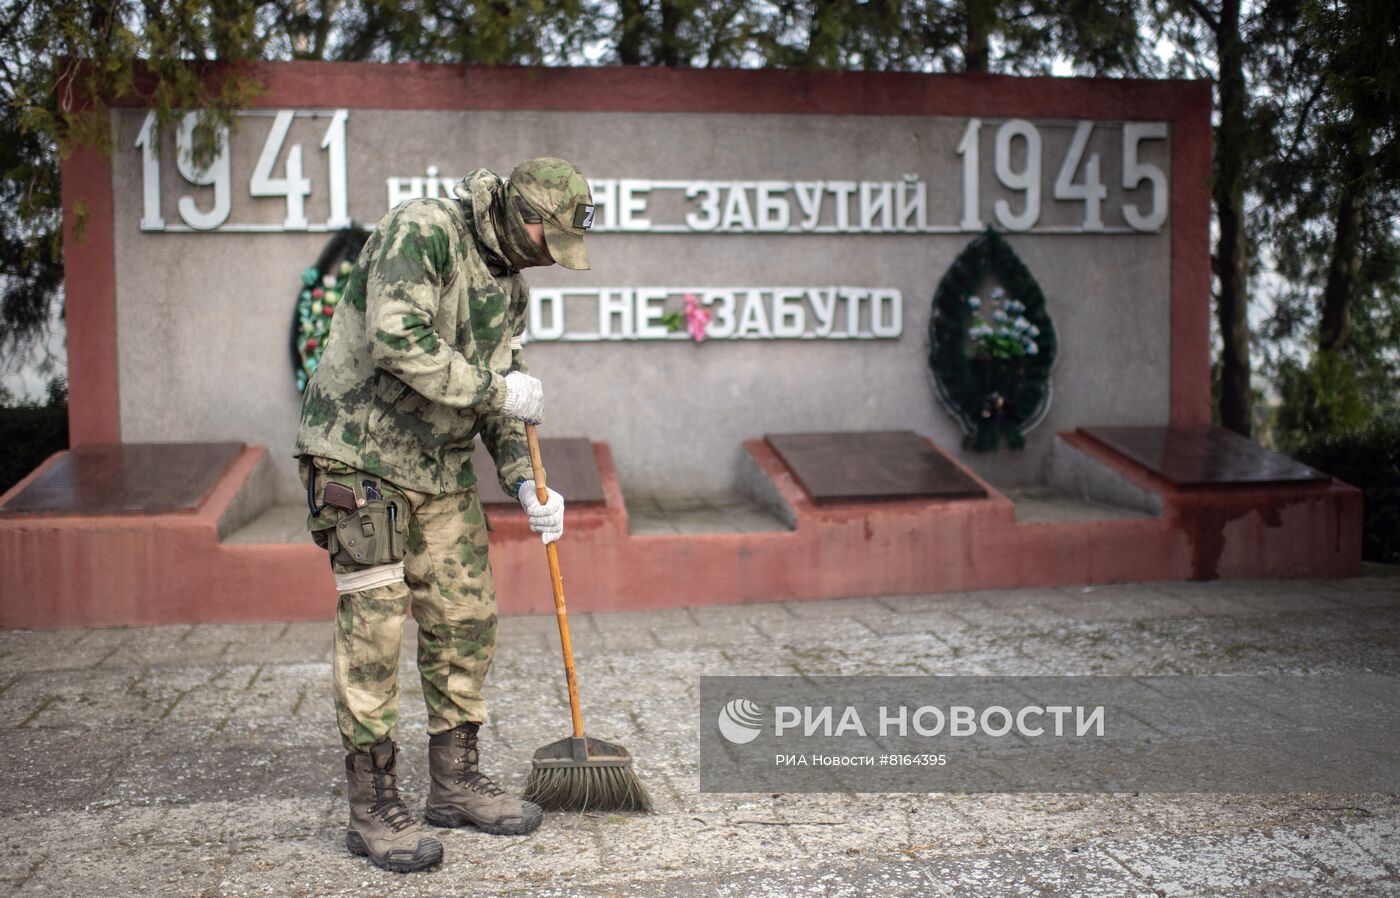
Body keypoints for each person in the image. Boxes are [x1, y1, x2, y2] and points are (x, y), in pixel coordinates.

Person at [293, 157, 595, 873]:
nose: (552, 258)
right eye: (550, 240)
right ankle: (373, 807)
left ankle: (454, 783)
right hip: (359, 455)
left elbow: (498, 406)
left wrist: (526, 484)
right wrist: (497, 386)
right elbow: (399, 340)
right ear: (525, 218)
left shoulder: (512, 293)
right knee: (375, 621)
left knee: (466, 618)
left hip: (438, 468)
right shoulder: (424, 230)